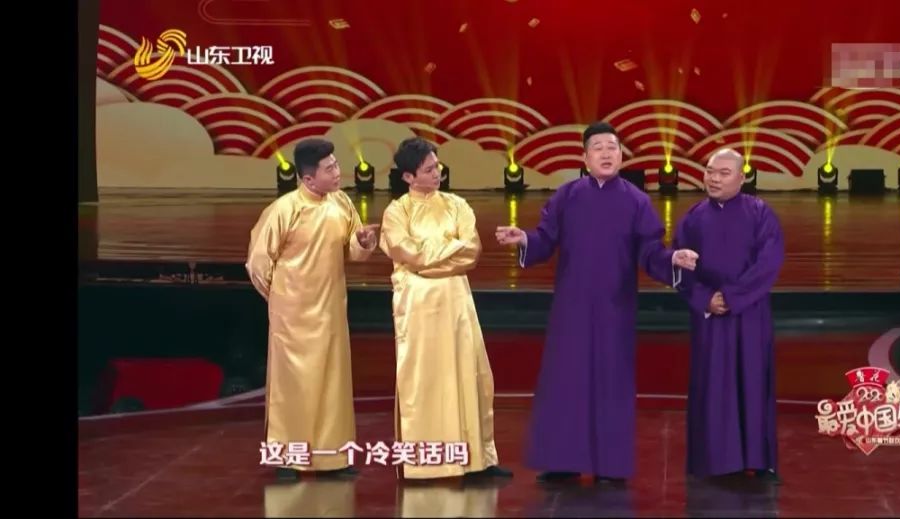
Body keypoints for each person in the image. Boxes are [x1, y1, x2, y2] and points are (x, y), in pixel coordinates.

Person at [495, 121, 699, 483]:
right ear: (585, 158)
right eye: (598, 148)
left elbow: (650, 251)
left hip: (614, 308)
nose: (606, 154)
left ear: (621, 155)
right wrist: (524, 239)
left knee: (611, 382)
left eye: (612, 147)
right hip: (571, 307)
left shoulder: (636, 201)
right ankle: (562, 462)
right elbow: (545, 238)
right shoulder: (567, 196)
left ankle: (609, 466)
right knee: (566, 380)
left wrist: (672, 259)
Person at [245, 138, 380, 481]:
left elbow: (354, 245)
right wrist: (280, 301)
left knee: (332, 385)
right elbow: (258, 263)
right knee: (293, 387)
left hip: (331, 309)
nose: (337, 173)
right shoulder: (284, 210)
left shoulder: (341, 202)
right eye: (329, 168)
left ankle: (332, 457)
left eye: (336, 165)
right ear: (308, 178)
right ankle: (288, 458)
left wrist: (363, 243)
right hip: (293, 316)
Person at [380, 137, 513, 480]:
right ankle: (427, 463)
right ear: (408, 177)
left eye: (437, 166)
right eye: (428, 169)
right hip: (417, 306)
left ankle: (476, 460)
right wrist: (446, 250)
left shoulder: (457, 205)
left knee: (470, 374)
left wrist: (426, 262)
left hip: (456, 302)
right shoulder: (397, 212)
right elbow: (404, 252)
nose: (437, 173)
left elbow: (470, 251)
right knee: (424, 381)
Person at [663, 148, 784, 481]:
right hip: (709, 316)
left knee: (753, 382)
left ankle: (759, 460)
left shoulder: (760, 213)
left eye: (723, 173)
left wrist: (731, 297)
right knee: (712, 386)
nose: (714, 178)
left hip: (750, 313)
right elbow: (679, 266)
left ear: (741, 178)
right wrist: (705, 299)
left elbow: (769, 263)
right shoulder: (693, 218)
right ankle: (714, 461)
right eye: (709, 171)